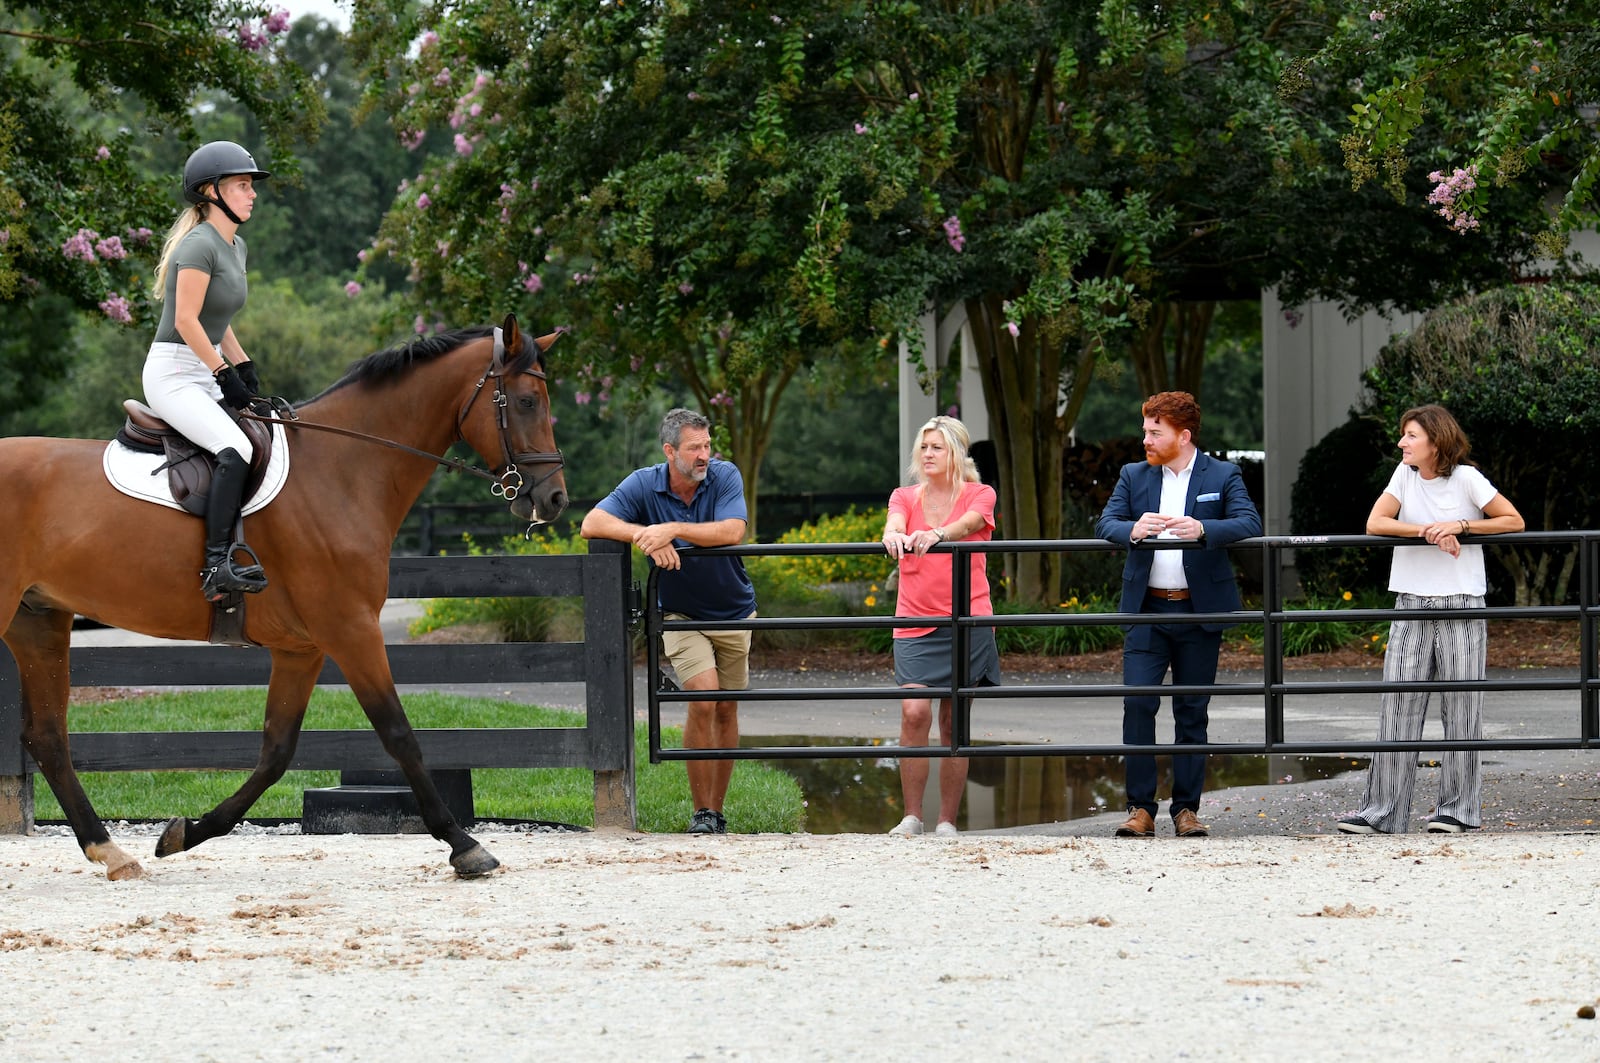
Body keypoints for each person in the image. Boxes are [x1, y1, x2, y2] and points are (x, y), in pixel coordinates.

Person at [1337, 405, 1524, 836]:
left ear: (1435, 442)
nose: (1401, 443)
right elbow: (1375, 523)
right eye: (1403, 435)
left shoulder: (1467, 479)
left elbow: (1513, 519)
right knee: (1399, 704)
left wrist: (1459, 525)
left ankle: (1457, 811)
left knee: (1463, 707)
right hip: (1410, 599)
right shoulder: (1403, 476)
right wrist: (1427, 531)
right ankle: (1381, 812)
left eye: (1410, 436)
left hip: (1461, 601)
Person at [581, 408, 756, 835]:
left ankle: (718, 809)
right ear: (669, 450)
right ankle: (702, 814)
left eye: (707, 445)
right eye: (694, 447)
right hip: (681, 616)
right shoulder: (644, 482)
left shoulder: (724, 474)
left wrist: (670, 528)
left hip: (734, 610)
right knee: (704, 699)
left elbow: (733, 530)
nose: (704, 455)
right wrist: (645, 536)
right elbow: (592, 523)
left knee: (727, 707)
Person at [1095, 391, 1262, 838]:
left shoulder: (1223, 474)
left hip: (1198, 610)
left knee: (1192, 711)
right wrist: (1131, 529)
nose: (1145, 439)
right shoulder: (1133, 475)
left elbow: (1250, 523)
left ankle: (1186, 810)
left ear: (1183, 435)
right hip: (1147, 609)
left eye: (1155, 432)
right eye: (1145, 430)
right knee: (1138, 705)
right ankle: (1140, 808)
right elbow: (1104, 523)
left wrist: (1205, 528)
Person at [146, 140, 272, 601]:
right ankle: (216, 566)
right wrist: (223, 373)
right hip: (173, 372)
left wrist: (243, 364)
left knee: (266, 434)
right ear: (210, 191)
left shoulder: (234, 246)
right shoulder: (199, 245)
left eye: (250, 186)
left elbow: (219, 318)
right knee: (235, 447)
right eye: (242, 185)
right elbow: (185, 320)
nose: (251, 193)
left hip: (205, 364)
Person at [880, 415, 1000, 837]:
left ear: (956, 453)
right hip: (915, 618)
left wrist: (937, 533)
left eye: (938, 447)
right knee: (914, 713)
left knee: (954, 723)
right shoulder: (905, 495)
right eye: (924, 447)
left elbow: (970, 524)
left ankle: (947, 820)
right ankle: (912, 816)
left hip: (967, 619)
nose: (928, 454)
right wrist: (894, 534)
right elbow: (894, 520)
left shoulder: (980, 494)